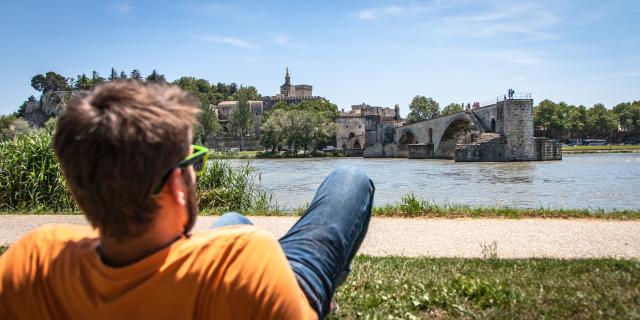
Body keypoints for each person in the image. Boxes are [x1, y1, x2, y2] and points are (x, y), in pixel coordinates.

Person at [0, 81, 375, 319]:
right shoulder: (246, 258)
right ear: (177, 185)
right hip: (265, 286)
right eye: (193, 159)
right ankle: (321, 299)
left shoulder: (32, 259)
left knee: (233, 216)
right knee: (350, 179)